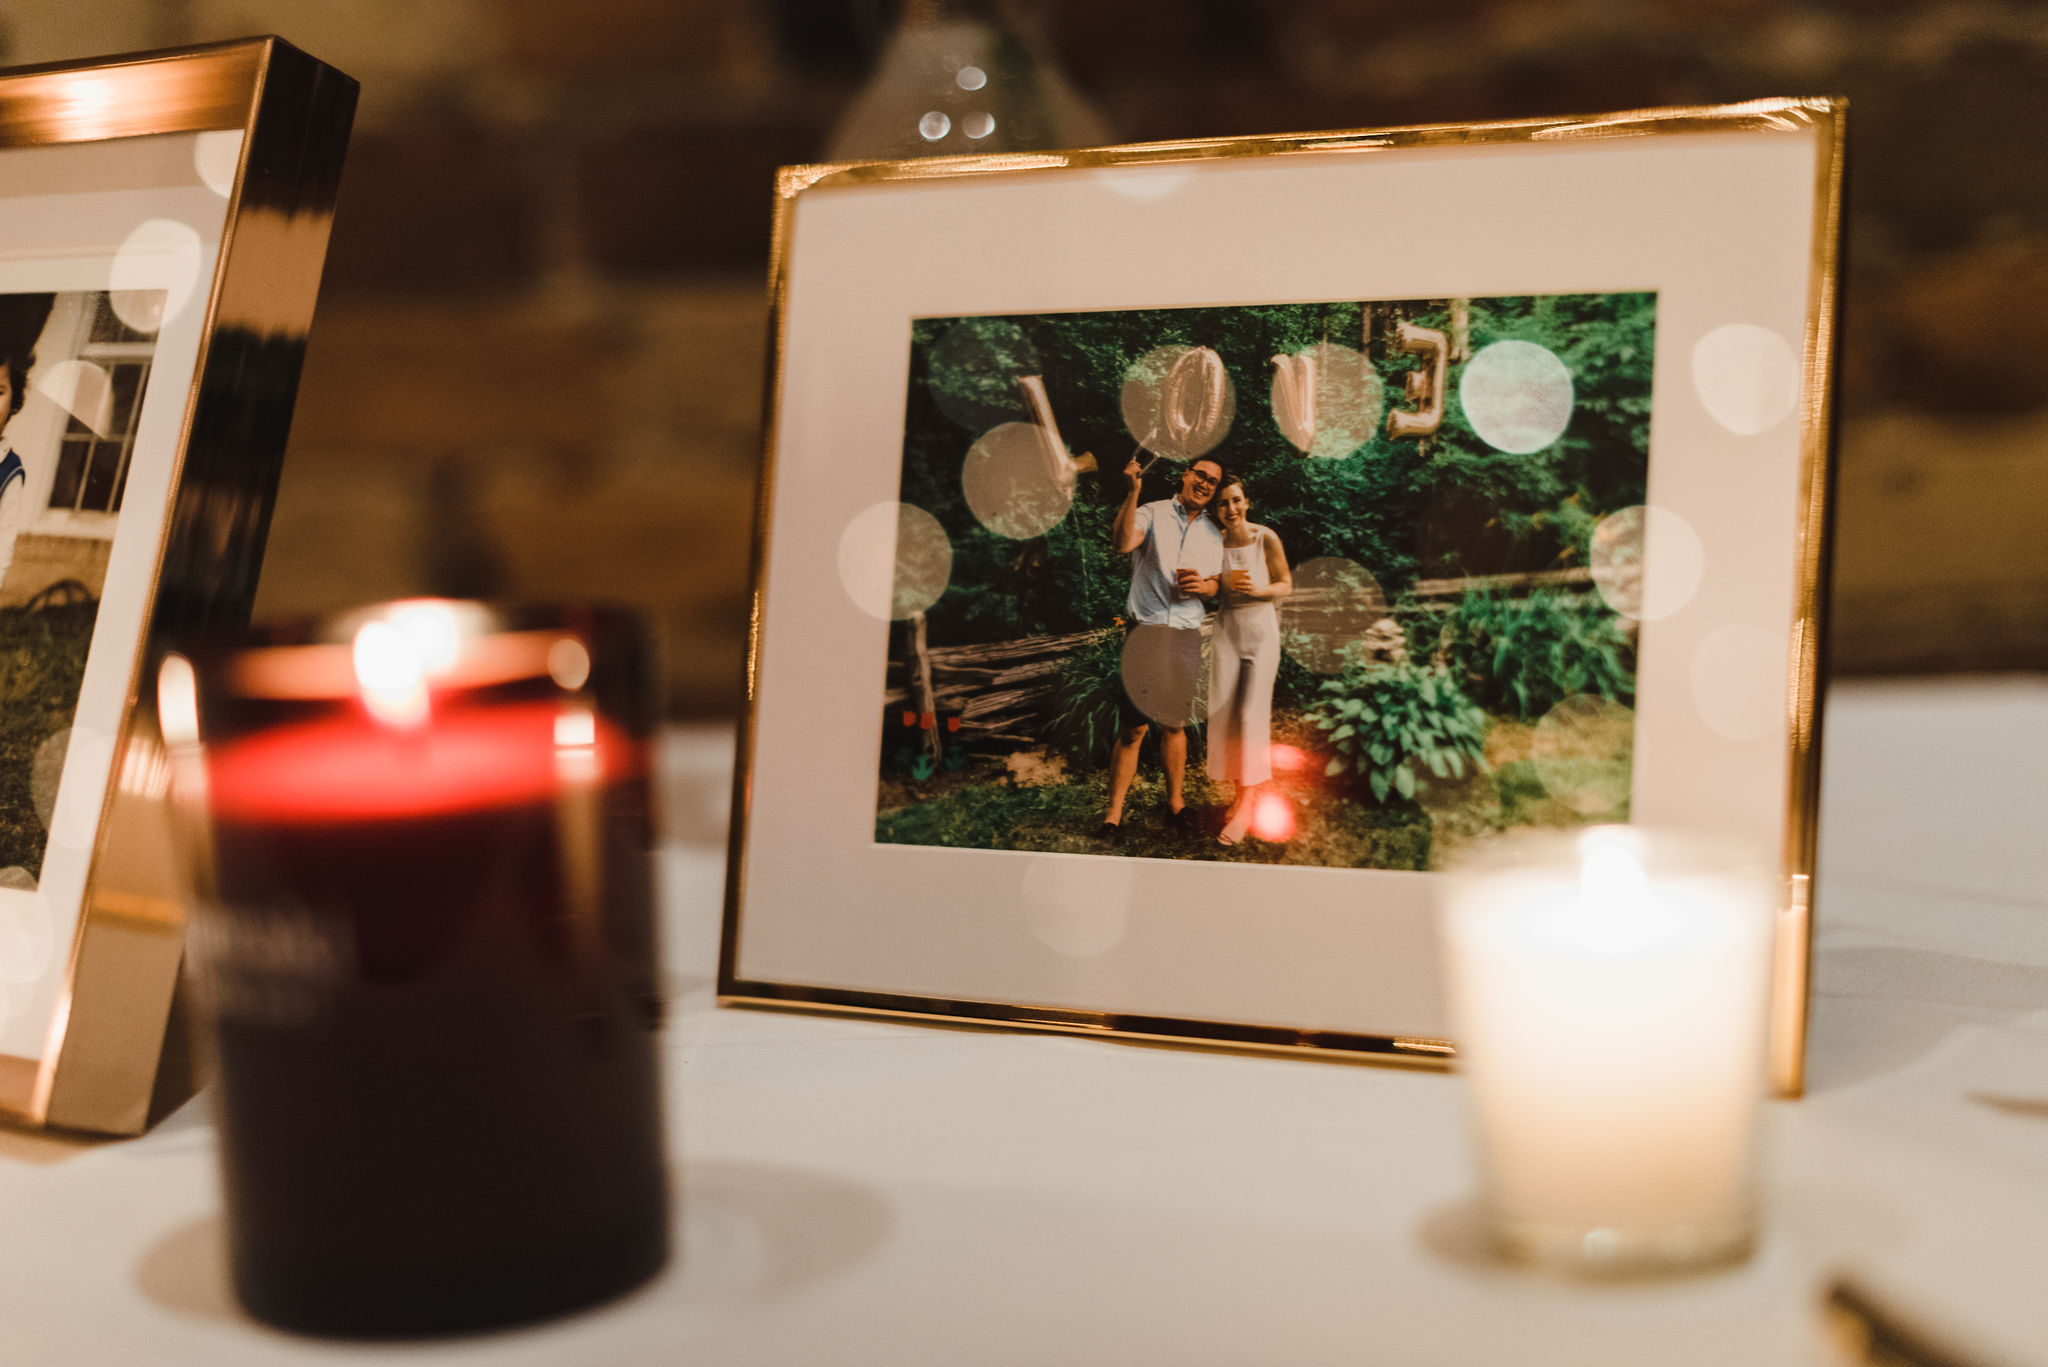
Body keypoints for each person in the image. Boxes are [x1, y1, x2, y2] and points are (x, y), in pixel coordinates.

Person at [1100, 453, 1224, 843]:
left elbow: (1216, 585)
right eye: (1199, 475)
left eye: (1212, 481)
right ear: (1185, 475)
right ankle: (1113, 816)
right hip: (1146, 634)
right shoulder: (1151, 512)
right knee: (1134, 729)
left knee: (1175, 724)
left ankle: (1176, 806)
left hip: (1185, 635)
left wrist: (1204, 588)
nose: (1205, 483)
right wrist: (1133, 491)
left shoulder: (1213, 533)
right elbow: (1121, 543)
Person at [1205, 476, 1293, 845]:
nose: (1231, 509)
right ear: (1217, 509)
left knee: (1250, 716)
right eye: (1223, 503)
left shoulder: (1265, 537)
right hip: (1227, 630)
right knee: (1226, 716)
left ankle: (1246, 805)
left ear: (1247, 502)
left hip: (1261, 634)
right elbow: (1209, 585)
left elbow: (1285, 582)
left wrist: (1259, 591)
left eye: (1236, 501)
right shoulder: (1213, 542)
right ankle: (1238, 793)